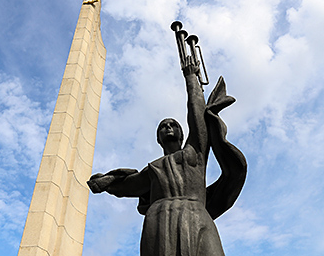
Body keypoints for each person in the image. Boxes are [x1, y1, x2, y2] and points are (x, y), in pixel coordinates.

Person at [88, 56, 246, 256]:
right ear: (158, 139)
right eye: (163, 126)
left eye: (173, 125)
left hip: (196, 215)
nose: (168, 127)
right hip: (160, 220)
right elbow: (128, 185)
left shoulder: (194, 153)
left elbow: (196, 115)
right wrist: (107, 182)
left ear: (182, 134)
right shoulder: (153, 169)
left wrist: (191, 78)